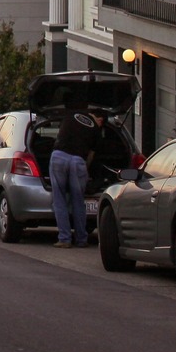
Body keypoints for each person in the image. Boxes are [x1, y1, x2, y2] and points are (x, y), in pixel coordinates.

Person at [50, 102, 104, 247]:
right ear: (99, 119)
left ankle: (64, 239)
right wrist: (85, 170)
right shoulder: (96, 129)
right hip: (78, 161)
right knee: (78, 201)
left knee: (59, 199)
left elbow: (59, 134)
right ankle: (81, 239)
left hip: (59, 157)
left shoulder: (70, 116)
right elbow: (91, 156)